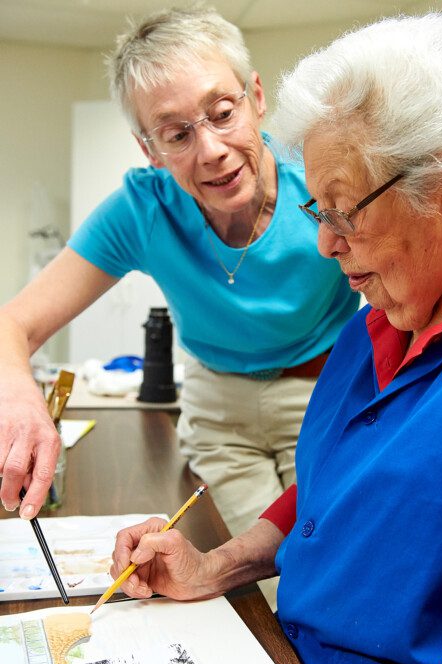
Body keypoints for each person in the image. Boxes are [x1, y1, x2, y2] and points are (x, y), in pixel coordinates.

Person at [109, 12, 442, 664]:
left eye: (345, 209)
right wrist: (213, 566)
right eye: (319, 207)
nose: (324, 240)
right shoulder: (375, 320)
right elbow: (326, 490)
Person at [0, 9, 358, 556]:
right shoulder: (143, 210)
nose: (210, 149)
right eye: (176, 134)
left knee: (333, 559)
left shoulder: (316, 174)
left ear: (256, 97)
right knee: (269, 575)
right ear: (150, 149)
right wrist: (21, 401)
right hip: (220, 410)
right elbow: (14, 323)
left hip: (324, 391)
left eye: (221, 113)